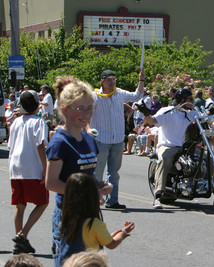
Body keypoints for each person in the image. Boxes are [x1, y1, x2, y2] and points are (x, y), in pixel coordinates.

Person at [45, 80, 110, 264]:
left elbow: (87, 176)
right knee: (69, 263)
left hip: (89, 213)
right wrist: (89, 192)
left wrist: (100, 185)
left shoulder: (89, 139)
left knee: (90, 262)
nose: (86, 114)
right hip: (68, 215)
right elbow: (51, 183)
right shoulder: (59, 142)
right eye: (79, 108)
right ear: (65, 109)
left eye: (89, 108)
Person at [88, 69, 145, 210]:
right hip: (101, 139)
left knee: (114, 173)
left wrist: (141, 80)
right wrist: (88, 131)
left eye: (114, 79)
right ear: (102, 81)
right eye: (109, 79)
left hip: (117, 139)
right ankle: (94, 201)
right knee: (98, 173)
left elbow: (137, 95)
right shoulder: (94, 96)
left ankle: (112, 201)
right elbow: (87, 114)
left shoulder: (119, 93)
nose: (112, 82)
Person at [57, 173, 135, 266]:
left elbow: (97, 238)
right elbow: (111, 244)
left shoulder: (67, 219)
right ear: (92, 197)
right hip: (87, 263)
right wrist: (123, 233)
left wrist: (115, 233)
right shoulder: (94, 224)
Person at [140, 88, 196, 209]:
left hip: (186, 147)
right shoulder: (168, 111)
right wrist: (146, 113)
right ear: (182, 100)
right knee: (164, 159)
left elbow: (204, 121)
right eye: (190, 99)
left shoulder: (191, 113)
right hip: (168, 146)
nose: (193, 101)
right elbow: (152, 121)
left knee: (207, 159)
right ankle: (158, 196)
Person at [8, 90, 49, 254]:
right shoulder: (38, 122)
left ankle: (19, 242)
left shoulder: (16, 122)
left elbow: (11, 146)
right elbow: (40, 145)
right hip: (32, 167)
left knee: (20, 204)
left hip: (15, 167)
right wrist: (45, 170)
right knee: (43, 202)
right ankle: (22, 235)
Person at [205, 86, 214, 153]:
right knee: (210, 136)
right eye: (209, 91)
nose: (210, 92)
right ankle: (210, 150)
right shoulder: (207, 100)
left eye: (212, 91)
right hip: (208, 119)